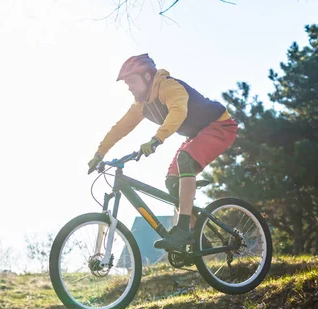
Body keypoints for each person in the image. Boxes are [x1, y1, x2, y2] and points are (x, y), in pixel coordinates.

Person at [88, 53, 238, 250]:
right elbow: (119, 128)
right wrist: (99, 154)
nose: (130, 87)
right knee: (171, 180)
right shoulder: (141, 106)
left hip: (220, 126)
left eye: (132, 81)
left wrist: (157, 139)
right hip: (197, 135)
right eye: (127, 84)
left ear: (147, 77)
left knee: (185, 158)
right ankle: (196, 235)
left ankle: (183, 229)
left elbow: (178, 111)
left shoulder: (169, 87)